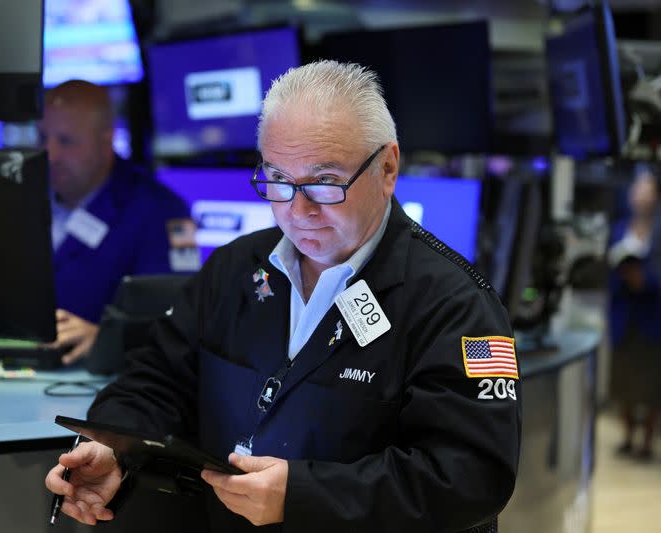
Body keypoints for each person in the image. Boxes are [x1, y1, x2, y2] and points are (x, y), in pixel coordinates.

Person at [45, 61, 521, 531]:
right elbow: (156, 380)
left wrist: (304, 498)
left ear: (388, 167)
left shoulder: (456, 304)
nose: (298, 210)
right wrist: (113, 447)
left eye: (325, 182)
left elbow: (470, 476)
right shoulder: (234, 270)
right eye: (278, 180)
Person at [38, 80, 190, 365]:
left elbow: (178, 320)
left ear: (106, 140)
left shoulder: (162, 211)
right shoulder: (26, 196)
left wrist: (106, 339)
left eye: (66, 141)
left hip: (103, 381)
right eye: (42, 137)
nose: (51, 155)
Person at [607, 166, 661, 461]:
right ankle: (628, 437)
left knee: (652, 385)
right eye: (637, 190)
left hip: (653, 319)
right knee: (624, 382)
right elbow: (609, 268)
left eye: (647, 190)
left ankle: (647, 442)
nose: (640, 196)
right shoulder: (619, 227)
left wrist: (647, 281)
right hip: (624, 319)